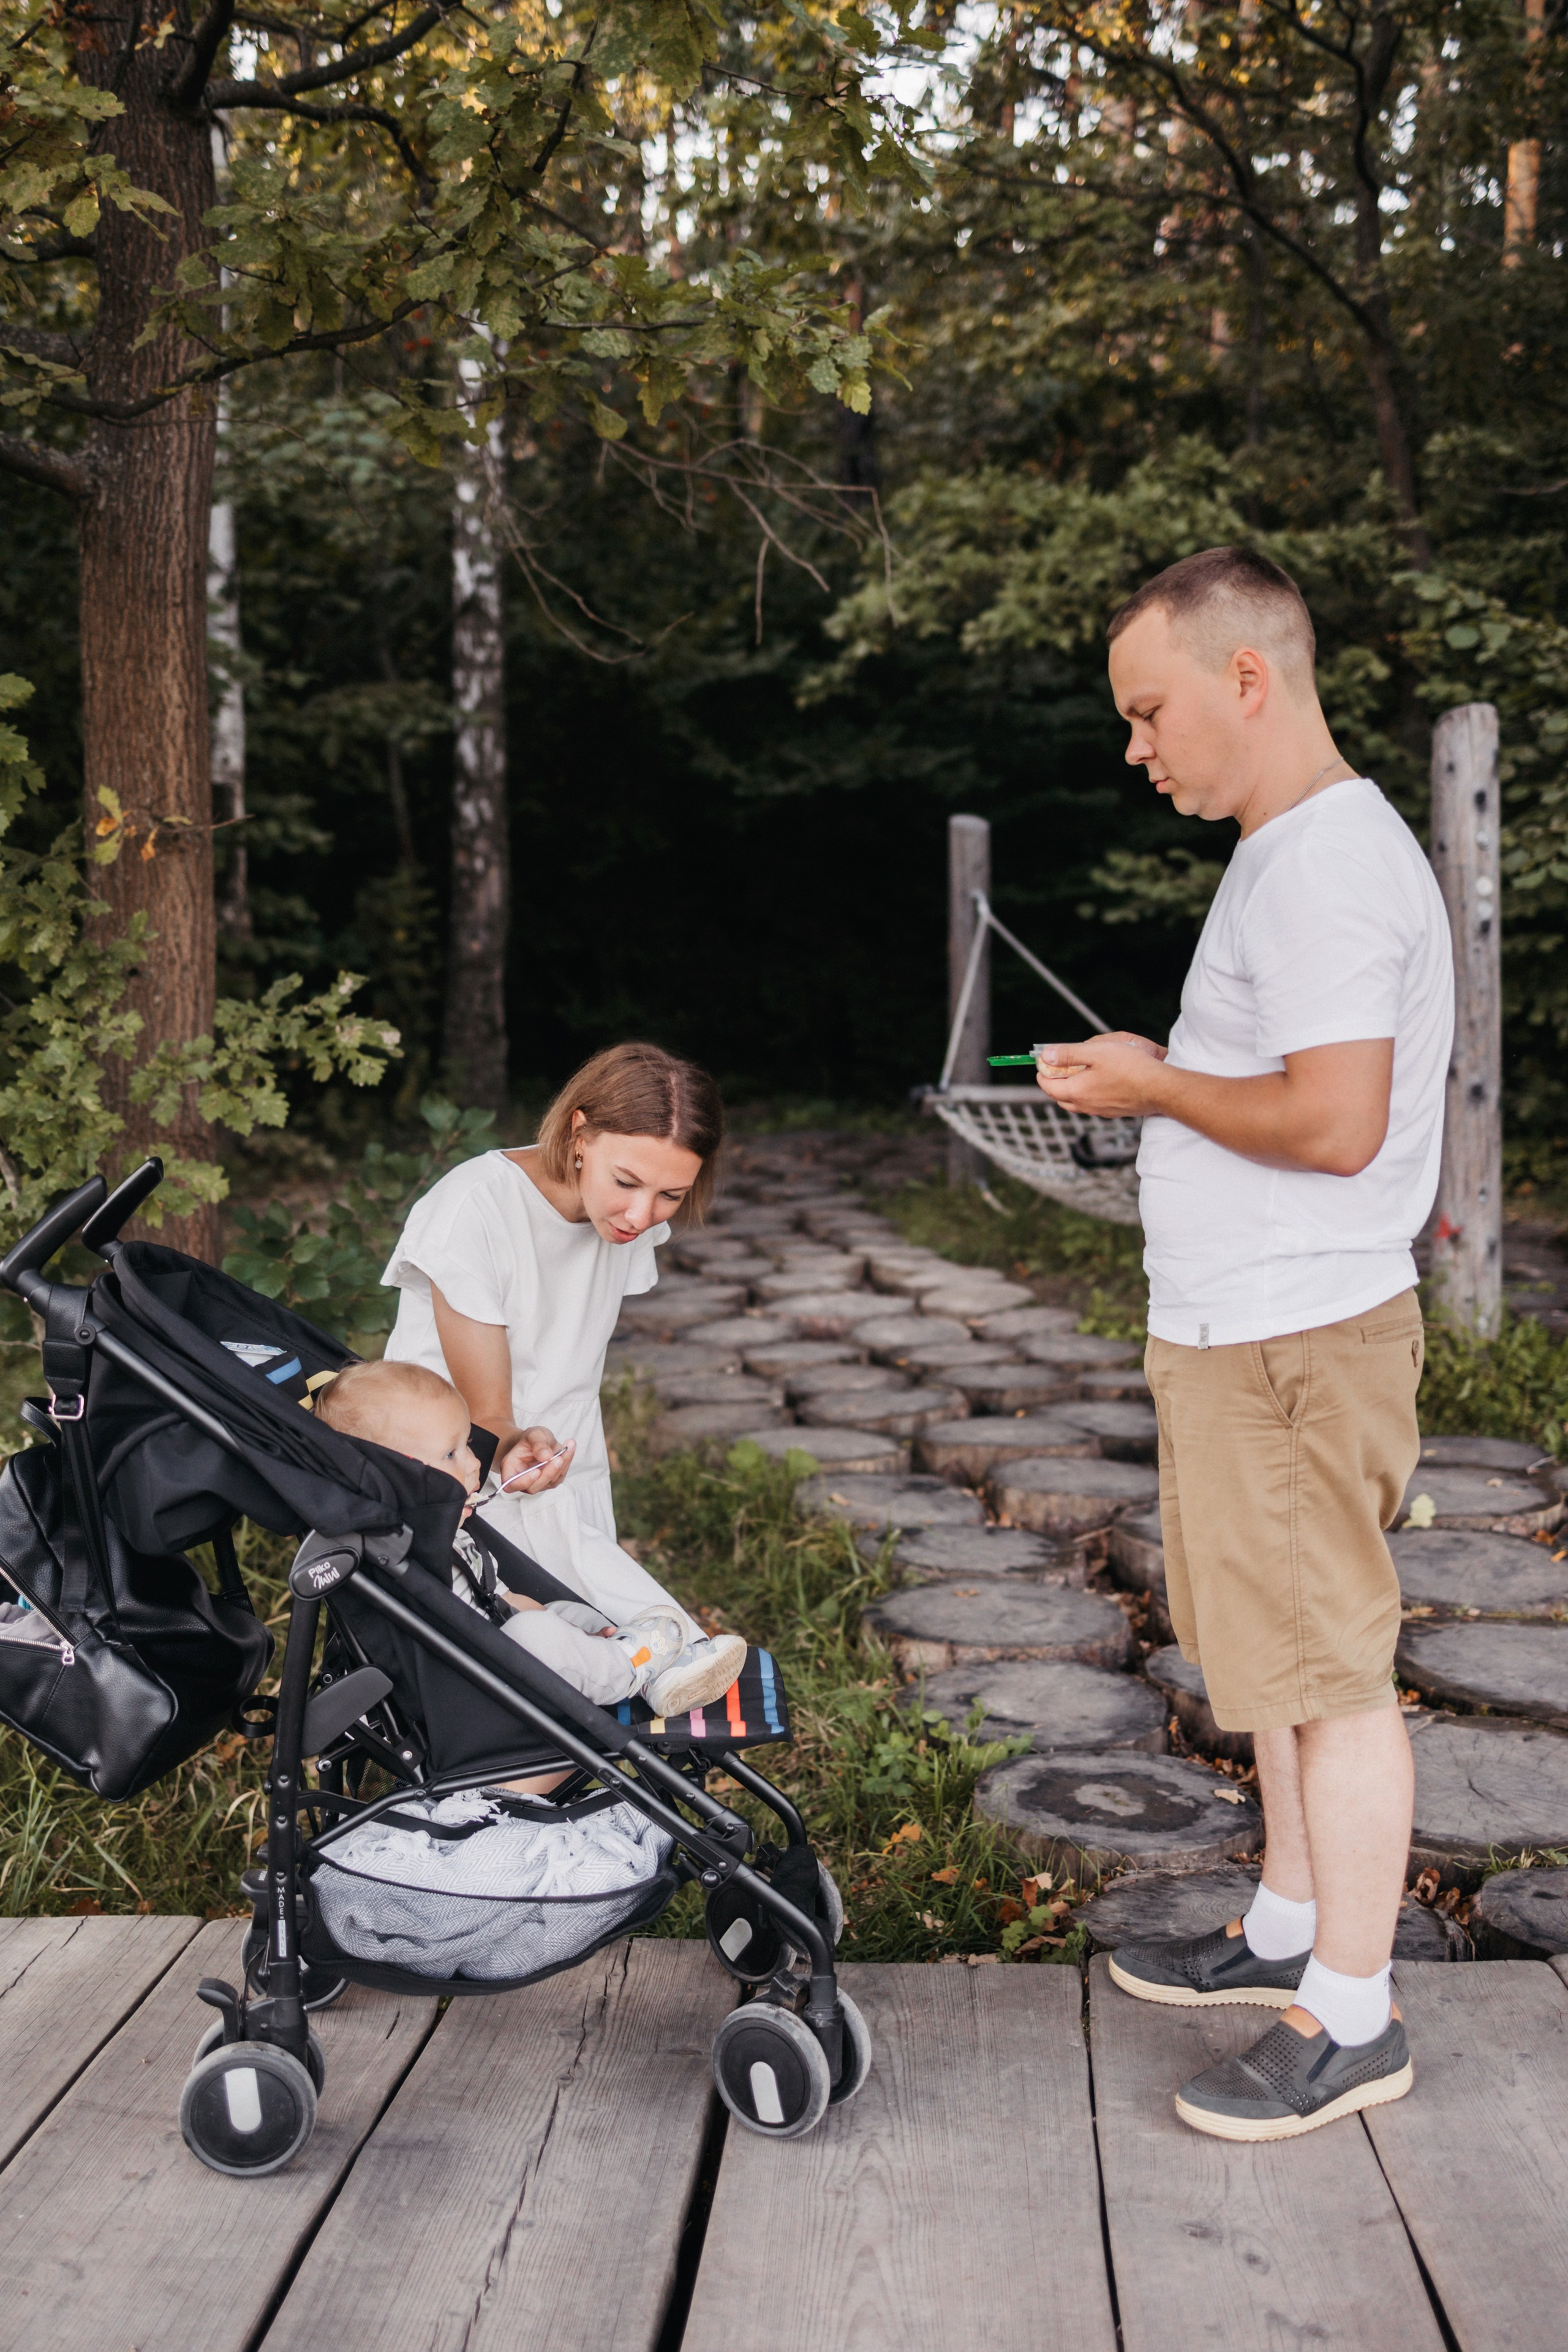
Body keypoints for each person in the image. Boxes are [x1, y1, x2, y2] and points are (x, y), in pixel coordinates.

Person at [1036, 546, 1452, 2143]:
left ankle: (1352, 2014)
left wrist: (1151, 1083)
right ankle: (1286, 1919)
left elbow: (1339, 1126)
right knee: (1269, 1654)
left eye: (1150, 712)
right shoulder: (1288, 856)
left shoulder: (1332, 865)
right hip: (1242, 1331)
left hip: (1298, 1334)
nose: (1137, 747)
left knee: (1332, 1673)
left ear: (1248, 679)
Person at [379, 1040, 745, 1710]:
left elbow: (568, 1351)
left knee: (581, 1659)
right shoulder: (476, 1209)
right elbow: (489, 1412)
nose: (641, 1216)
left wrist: (561, 1456)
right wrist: (518, 1448)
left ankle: (653, 1664)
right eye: (627, 1183)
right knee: (540, 1661)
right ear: (580, 1134)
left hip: (565, 1452)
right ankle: (669, 1648)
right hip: (467, 1459)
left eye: (672, 1195)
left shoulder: (621, 1220)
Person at [317, 1359, 745, 1716]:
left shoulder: (451, 1537)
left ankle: (649, 1670)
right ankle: (632, 1665)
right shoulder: (403, 1559)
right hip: (484, 1696)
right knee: (536, 1635)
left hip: (513, 1654)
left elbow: (498, 1597)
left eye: (467, 1444)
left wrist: (561, 1625)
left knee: (561, 1613)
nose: (473, 1466)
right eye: (451, 1454)